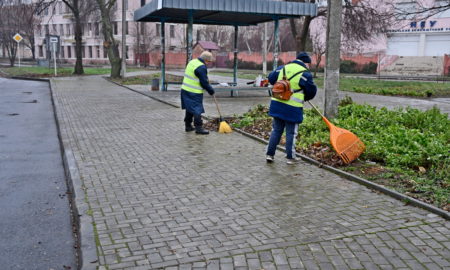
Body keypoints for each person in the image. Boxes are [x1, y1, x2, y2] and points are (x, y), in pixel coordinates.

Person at [265, 52, 317, 165]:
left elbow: (271, 78)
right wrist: (304, 96)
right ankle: (290, 158)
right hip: (292, 108)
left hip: (277, 104)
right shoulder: (305, 74)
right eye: (309, 64)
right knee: (291, 133)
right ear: (306, 63)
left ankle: (270, 154)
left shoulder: (282, 68)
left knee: (276, 130)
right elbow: (312, 92)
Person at [181, 51, 215, 135]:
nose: (209, 63)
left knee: (189, 108)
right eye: (209, 61)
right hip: (194, 92)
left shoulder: (192, 62)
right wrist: (211, 91)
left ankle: (188, 126)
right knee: (197, 109)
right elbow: (204, 83)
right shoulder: (201, 67)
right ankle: (199, 128)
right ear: (206, 60)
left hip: (185, 90)